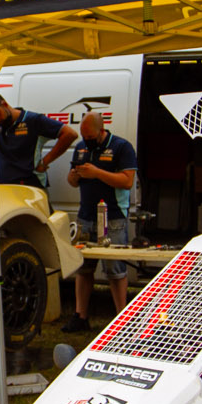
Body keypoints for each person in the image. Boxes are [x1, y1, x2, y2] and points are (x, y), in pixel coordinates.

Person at [62, 113, 137, 333]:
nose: (86, 141)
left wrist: (96, 173)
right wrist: (74, 177)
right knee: (83, 268)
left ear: (101, 131)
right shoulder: (81, 148)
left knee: (115, 269)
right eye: (83, 137)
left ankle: (122, 320)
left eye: (90, 137)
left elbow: (127, 181)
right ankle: (80, 316)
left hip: (113, 216)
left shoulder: (122, 147)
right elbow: (72, 181)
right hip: (85, 216)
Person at [0, 92, 76, 190]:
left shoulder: (32, 120)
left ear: (4, 104)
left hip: (31, 187)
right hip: (5, 188)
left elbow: (70, 134)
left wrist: (44, 162)